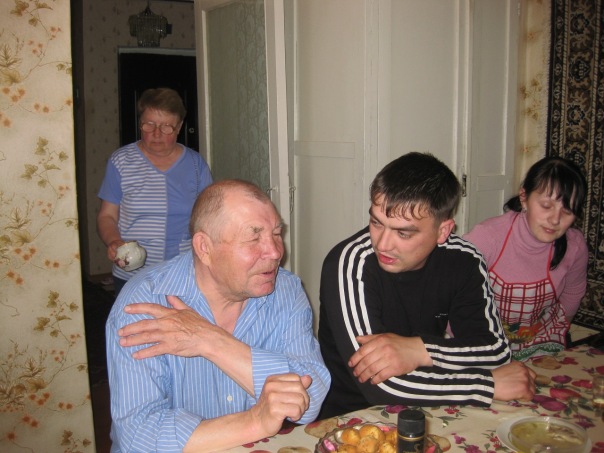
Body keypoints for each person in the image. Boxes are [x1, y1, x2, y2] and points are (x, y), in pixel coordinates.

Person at [106, 179, 331, 452]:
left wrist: (211, 341)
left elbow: (311, 398)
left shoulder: (286, 290)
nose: (275, 252)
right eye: (254, 237)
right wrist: (254, 422)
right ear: (204, 248)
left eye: (276, 233)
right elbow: (138, 436)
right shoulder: (145, 303)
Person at [318, 152, 536, 419]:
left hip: (433, 404)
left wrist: (420, 350)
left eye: (403, 233)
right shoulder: (349, 262)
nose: (382, 244)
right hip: (353, 414)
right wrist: (486, 386)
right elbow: (379, 385)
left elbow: (494, 351)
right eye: (376, 222)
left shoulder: (464, 259)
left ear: (443, 231)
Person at [463, 156, 588, 361]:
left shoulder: (574, 245)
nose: (555, 220)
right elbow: (449, 292)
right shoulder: (487, 238)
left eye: (567, 211)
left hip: (541, 340)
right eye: (546, 206)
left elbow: (573, 294)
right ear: (524, 197)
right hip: (484, 342)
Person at [97, 87, 212, 296]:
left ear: (179, 127)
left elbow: (208, 219)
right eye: (149, 124)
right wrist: (114, 241)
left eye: (166, 126)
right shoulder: (121, 161)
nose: (156, 133)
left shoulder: (196, 165)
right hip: (133, 275)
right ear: (140, 122)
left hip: (183, 272)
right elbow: (107, 216)